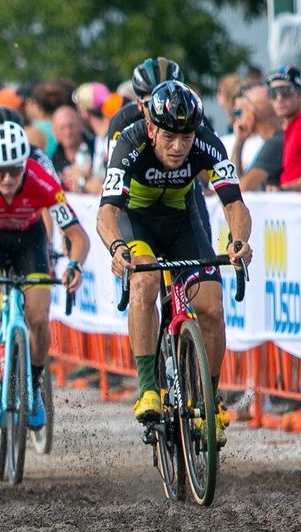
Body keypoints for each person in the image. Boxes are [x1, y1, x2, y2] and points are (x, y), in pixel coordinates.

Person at [97, 80, 252, 445]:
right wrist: (117, 247)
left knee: (211, 307)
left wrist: (239, 240)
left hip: (183, 220)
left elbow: (234, 203)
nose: (179, 146)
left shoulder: (205, 142)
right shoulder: (130, 142)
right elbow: (106, 212)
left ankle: (210, 400)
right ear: (151, 128)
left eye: (186, 136)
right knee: (145, 282)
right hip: (137, 222)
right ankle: (149, 387)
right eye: (169, 136)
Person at [0, 121, 89, 428]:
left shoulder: (42, 182)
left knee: (38, 316)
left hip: (29, 241)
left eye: (14, 170)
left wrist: (74, 265)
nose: (8, 179)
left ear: (24, 164)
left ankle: (34, 389)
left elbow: (79, 237)